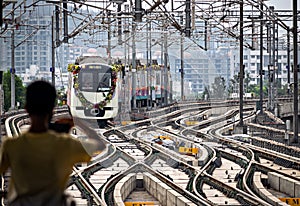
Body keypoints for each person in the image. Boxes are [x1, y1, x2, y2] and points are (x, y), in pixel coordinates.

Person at [0, 80, 106, 206]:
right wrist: (78, 122)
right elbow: (100, 145)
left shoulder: (12, 145)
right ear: (52, 110)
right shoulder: (66, 144)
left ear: (27, 109)